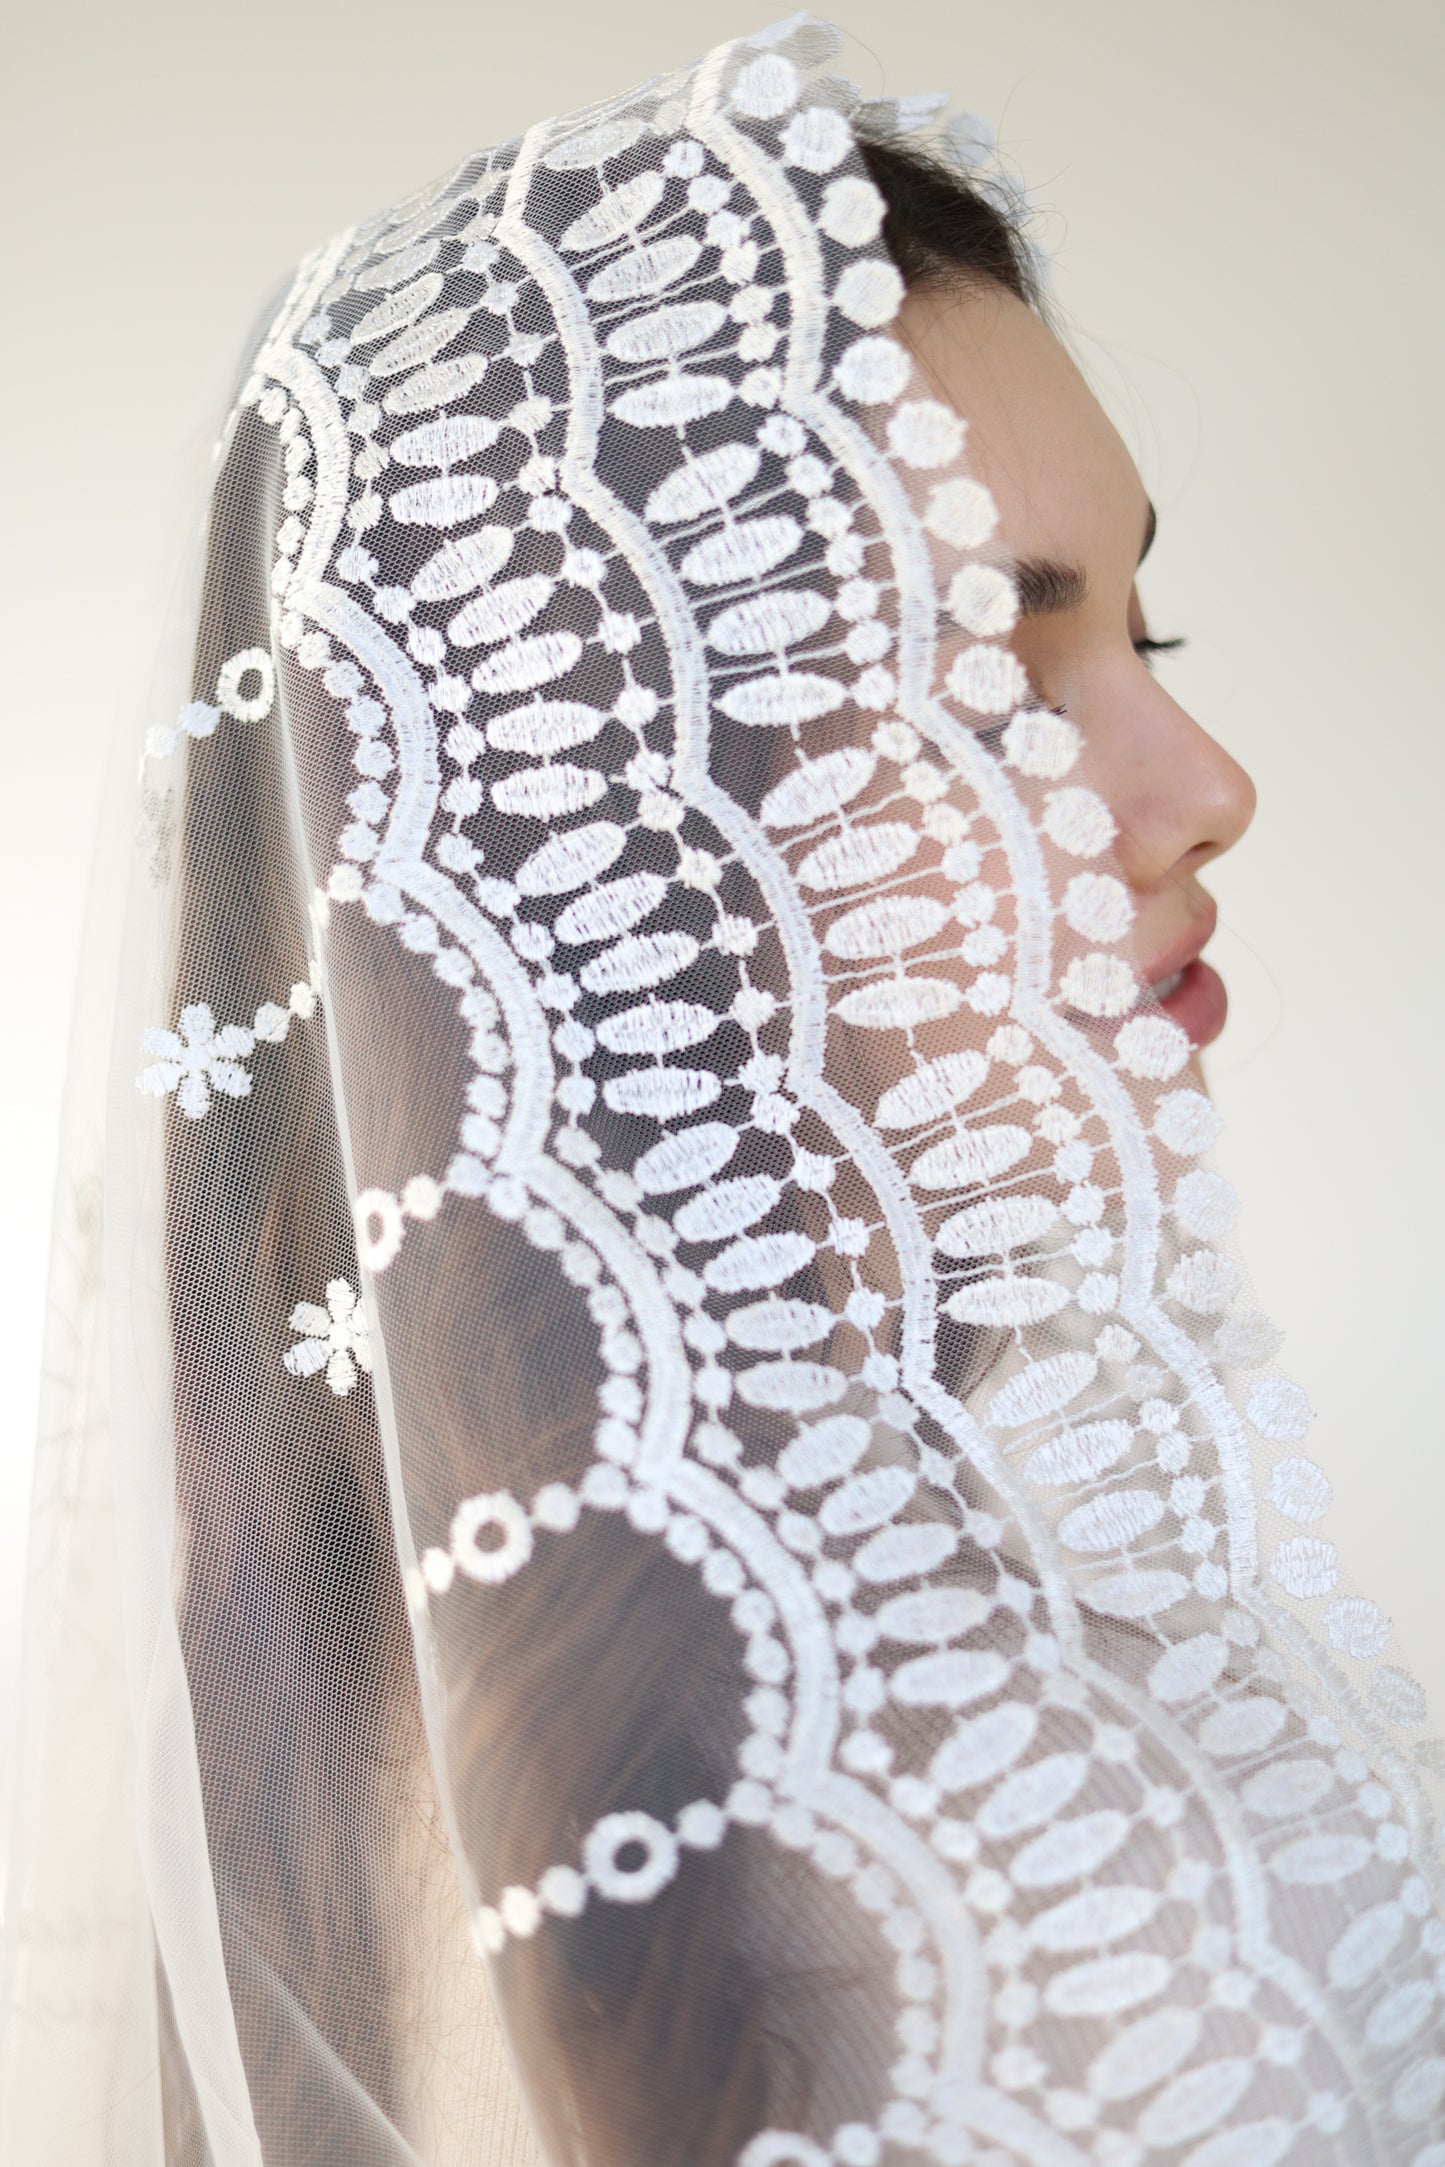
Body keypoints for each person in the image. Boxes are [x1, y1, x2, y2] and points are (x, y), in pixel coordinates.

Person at [4, 19, 1441, 2165]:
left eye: (1161, 638)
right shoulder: (1093, 1889)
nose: (1206, 792)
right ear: (610, 804)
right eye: (1001, 667)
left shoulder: (305, 1725)